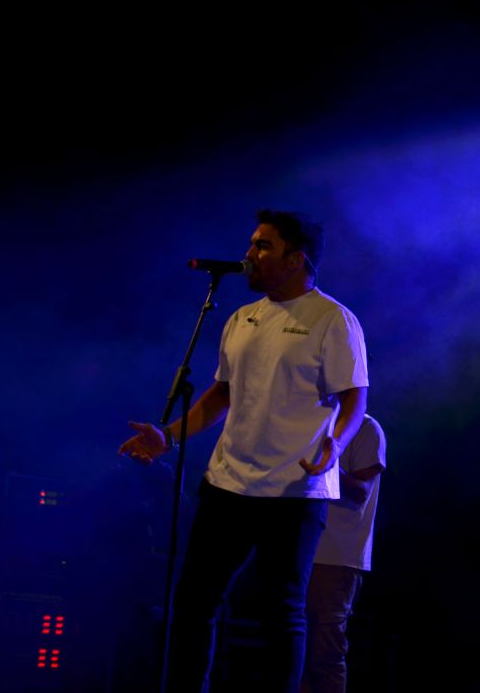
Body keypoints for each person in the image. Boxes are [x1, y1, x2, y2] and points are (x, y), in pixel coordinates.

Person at [120, 209, 369, 692]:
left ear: (296, 259)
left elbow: (354, 399)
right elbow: (221, 393)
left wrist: (334, 446)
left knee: (282, 614)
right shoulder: (242, 317)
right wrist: (168, 435)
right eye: (252, 243)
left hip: (294, 491)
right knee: (193, 604)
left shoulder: (332, 320)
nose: (248, 255)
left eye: (263, 247)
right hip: (227, 484)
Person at [301, 413, 386, 693]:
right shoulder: (313, 419)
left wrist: (320, 464)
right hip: (302, 548)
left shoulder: (366, 428)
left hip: (336, 558)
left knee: (324, 654)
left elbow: (361, 491)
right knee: (294, 650)